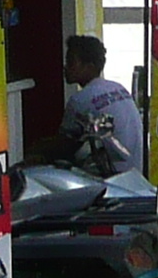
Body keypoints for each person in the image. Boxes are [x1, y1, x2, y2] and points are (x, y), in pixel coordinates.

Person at [55, 35, 143, 175]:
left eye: (71, 62)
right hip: (134, 174)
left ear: (89, 67)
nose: (66, 67)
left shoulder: (80, 100)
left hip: (110, 179)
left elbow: (63, 147)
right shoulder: (118, 89)